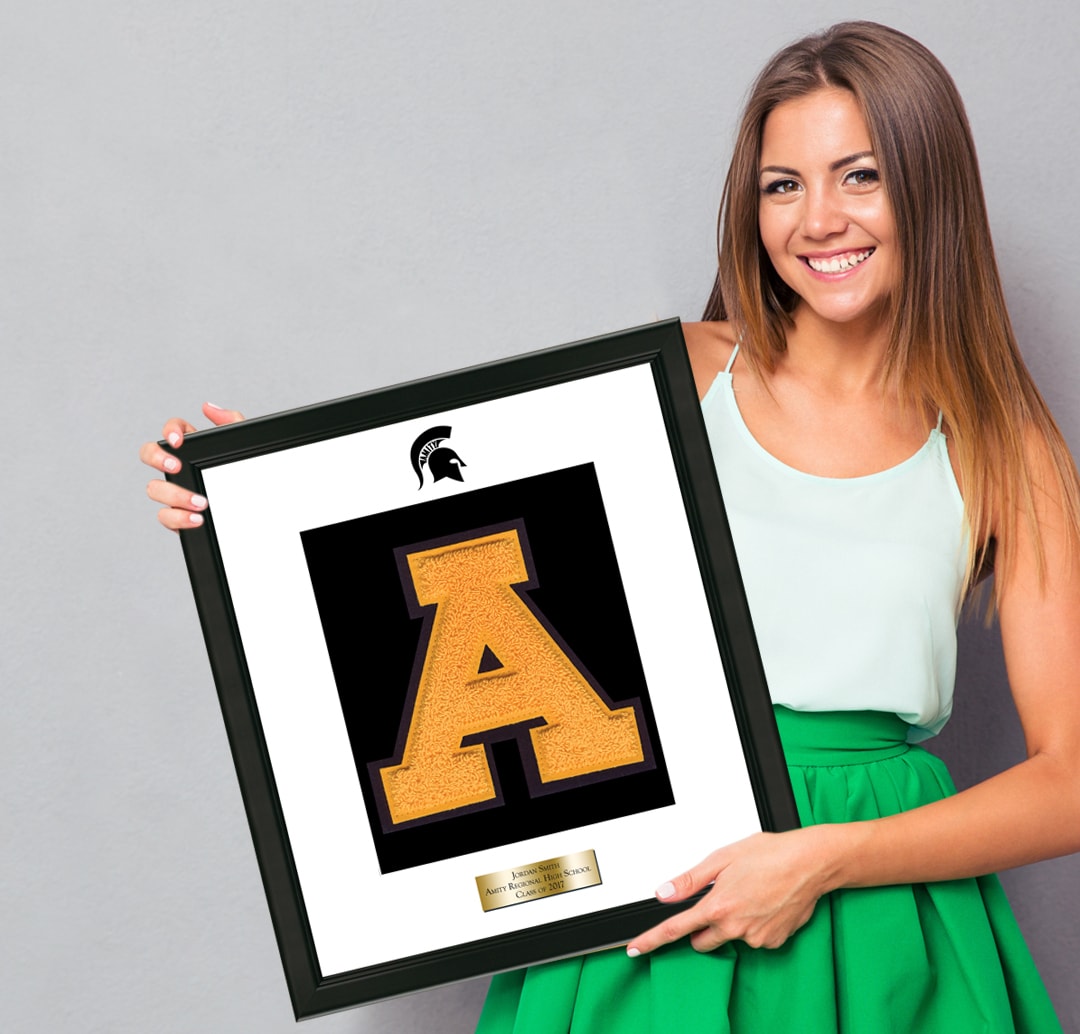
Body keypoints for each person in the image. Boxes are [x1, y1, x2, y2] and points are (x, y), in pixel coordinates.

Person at [142, 21, 1080, 1032]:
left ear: (928, 187)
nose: (819, 220)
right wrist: (255, 489)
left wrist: (821, 857)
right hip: (657, 883)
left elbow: (1069, 779)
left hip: (887, 918)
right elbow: (454, 533)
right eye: (781, 185)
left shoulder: (1003, 443)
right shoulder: (672, 375)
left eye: (860, 176)